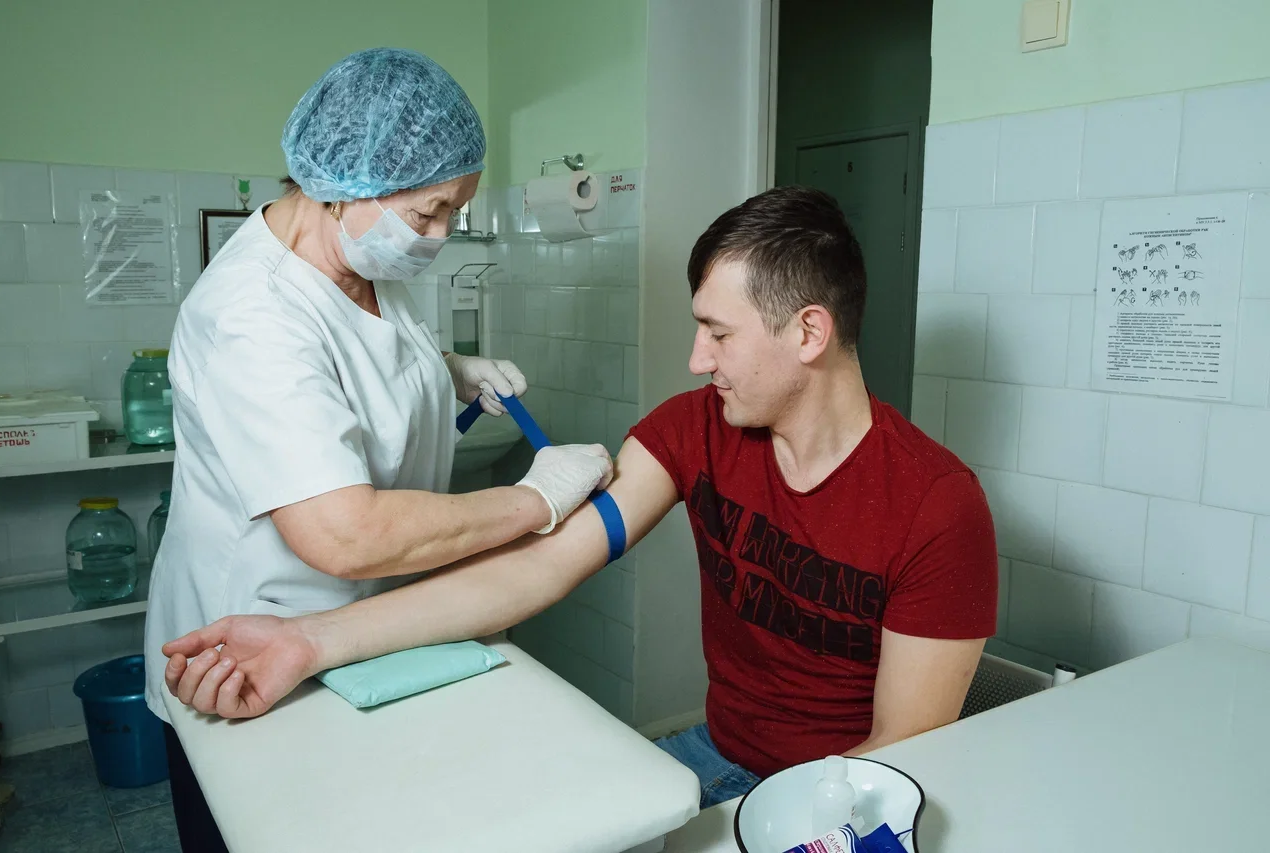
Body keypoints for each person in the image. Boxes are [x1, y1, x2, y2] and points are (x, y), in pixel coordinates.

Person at [161, 186, 998, 811]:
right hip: (717, 755)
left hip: (836, 789)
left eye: (719, 332)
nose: (697, 359)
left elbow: (902, 753)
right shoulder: (695, 430)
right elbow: (535, 569)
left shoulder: (936, 507)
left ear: (809, 331)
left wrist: (771, 822)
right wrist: (304, 641)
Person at [144, 48, 613, 852]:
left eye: (453, 212)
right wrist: (536, 499)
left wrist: (444, 371)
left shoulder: (360, 257)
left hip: (365, 630)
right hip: (256, 649)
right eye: (429, 212)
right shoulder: (251, 314)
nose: (440, 235)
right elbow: (345, 533)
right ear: (344, 183)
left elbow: (354, 362)